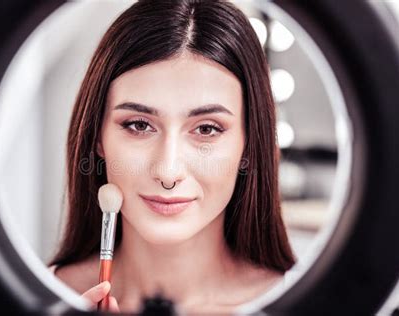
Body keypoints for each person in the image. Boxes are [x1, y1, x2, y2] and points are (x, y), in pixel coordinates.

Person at [47, 0, 296, 313]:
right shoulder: (32, 294)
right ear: (98, 138)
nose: (168, 171)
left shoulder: (311, 302)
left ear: (248, 145)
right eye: (139, 125)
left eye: (207, 129)